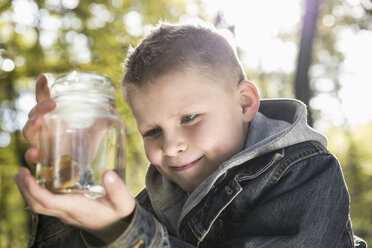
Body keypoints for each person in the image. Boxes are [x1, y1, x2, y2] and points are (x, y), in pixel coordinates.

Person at [16, 20, 367, 248]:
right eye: (152, 131)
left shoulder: (307, 173)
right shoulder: (156, 199)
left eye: (189, 117)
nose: (170, 147)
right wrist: (69, 180)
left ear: (245, 103)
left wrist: (127, 232)